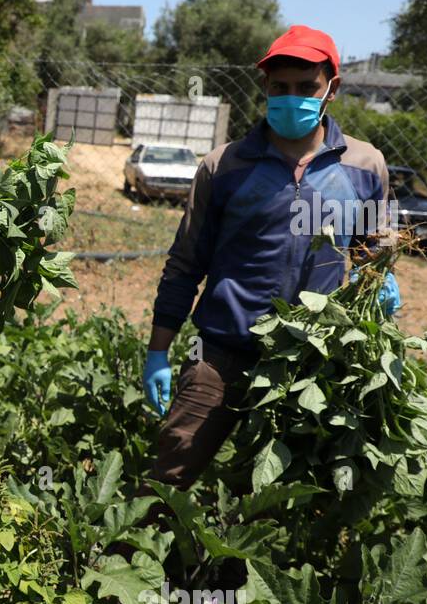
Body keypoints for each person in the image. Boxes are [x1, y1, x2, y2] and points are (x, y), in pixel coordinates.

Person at [142, 25, 401, 499]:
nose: (292, 98)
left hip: (314, 361)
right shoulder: (225, 166)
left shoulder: (364, 166)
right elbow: (185, 263)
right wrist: (159, 349)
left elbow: (374, 252)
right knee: (170, 475)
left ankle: (235, 570)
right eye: (280, 88)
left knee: (283, 495)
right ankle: (142, 565)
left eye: (307, 88)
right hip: (221, 353)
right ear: (265, 88)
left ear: (332, 89)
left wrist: (380, 283)